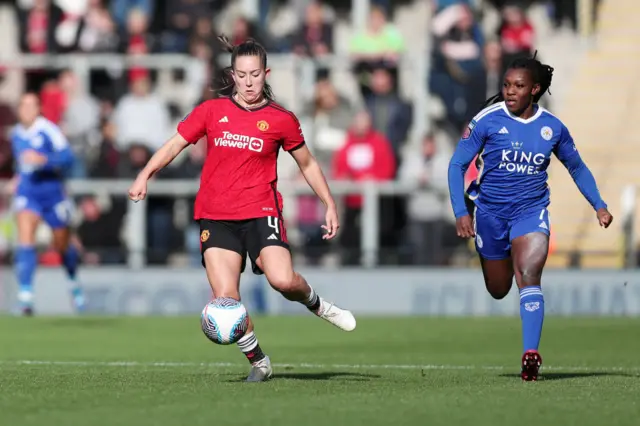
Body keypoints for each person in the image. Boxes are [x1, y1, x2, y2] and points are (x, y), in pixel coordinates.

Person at [127, 36, 356, 382]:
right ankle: (259, 361)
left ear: (266, 73)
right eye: (241, 75)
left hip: (261, 211)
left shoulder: (282, 120)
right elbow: (175, 144)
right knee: (226, 301)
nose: (248, 83)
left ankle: (317, 304)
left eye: (255, 75)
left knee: (282, 280)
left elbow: (307, 164)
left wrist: (329, 202)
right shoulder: (211, 111)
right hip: (216, 215)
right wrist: (145, 174)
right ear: (232, 75)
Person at [447, 54, 613, 381]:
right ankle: (504, 256)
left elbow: (576, 167)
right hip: (490, 213)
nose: (510, 91)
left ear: (534, 90)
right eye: (507, 85)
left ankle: (530, 354)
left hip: (530, 211)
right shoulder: (487, 120)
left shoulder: (553, 128)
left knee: (529, 274)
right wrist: (460, 211)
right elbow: (456, 165)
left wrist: (599, 204)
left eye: (518, 86)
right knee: (498, 288)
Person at [10, 93, 86, 316]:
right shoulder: (16, 133)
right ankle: (26, 298)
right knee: (25, 238)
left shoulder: (48, 130)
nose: (26, 110)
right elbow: (22, 165)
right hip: (29, 193)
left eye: (30, 106)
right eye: (22, 105)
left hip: (52, 194)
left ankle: (73, 283)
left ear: (38, 109)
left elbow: (68, 158)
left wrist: (44, 161)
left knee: (62, 245)